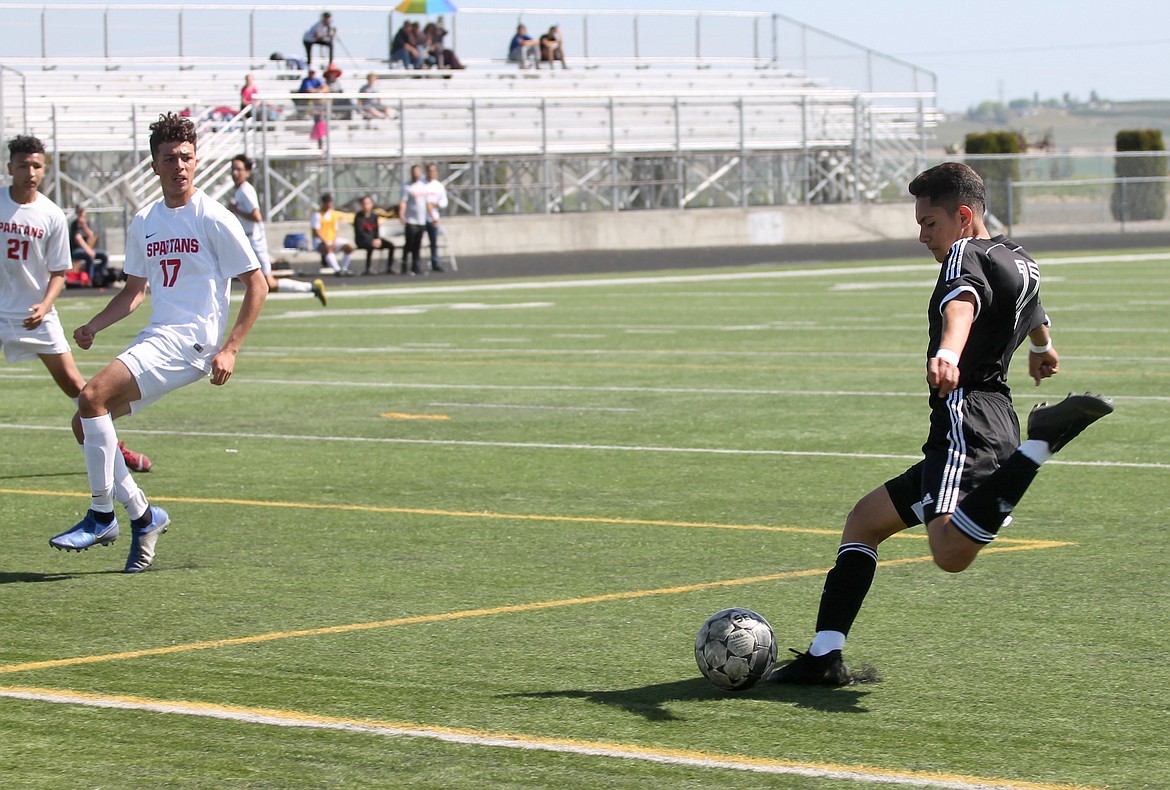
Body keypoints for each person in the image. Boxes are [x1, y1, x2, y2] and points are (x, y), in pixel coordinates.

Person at [767, 162, 1114, 686]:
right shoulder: (1018, 257)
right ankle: (825, 654)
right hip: (991, 414)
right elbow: (1035, 311)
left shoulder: (963, 254)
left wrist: (949, 352)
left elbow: (964, 301)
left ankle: (1042, 445)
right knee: (865, 520)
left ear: (963, 215)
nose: (923, 235)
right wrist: (1043, 349)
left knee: (950, 553)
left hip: (966, 413)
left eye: (929, 222)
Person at [48, 113, 267, 572]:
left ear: (196, 161)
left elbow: (258, 284)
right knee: (84, 423)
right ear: (154, 165)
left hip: (191, 343)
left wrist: (230, 348)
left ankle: (102, 513)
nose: (179, 166)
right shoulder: (145, 219)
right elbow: (134, 292)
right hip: (160, 337)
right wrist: (94, 326)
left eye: (186, 157)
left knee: (91, 396)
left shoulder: (213, 216)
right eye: (169, 158)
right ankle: (145, 516)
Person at [2, 135, 152, 476]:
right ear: (10, 167)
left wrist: (43, 305)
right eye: (23, 165)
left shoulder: (51, 215)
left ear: (45, 169)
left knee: (82, 391)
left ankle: (114, 448)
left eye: (36, 165)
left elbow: (59, 273)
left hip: (36, 317)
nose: (30, 171)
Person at [227, 154, 327, 305]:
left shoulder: (245, 190)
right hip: (248, 239)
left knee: (268, 283)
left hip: (254, 241)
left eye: (239, 169)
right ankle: (312, 288)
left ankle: (312, 287)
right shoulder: (241, 190)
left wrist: (235, 210)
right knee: (257, 281)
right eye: (233, 169)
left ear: (247, 172)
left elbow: (256, 216)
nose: (235, 173)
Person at [310, 193, 355, 276]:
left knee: (349, 247)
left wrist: (334, 241)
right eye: (327, 202)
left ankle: (344, 268)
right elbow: (317, 231)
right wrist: (325, 241)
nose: (329, 204)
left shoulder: (333, 214)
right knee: (327, 248)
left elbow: (335, 229)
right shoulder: (317, 215)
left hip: (332, 239)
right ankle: (337, 270)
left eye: (330, 202)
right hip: (320, 241)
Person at [69, 205, 113, 287]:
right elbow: (78, 240)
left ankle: (99, 275)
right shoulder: (74, 225)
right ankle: (89, 279)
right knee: (89, 256)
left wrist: (84, 226)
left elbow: (91, 236)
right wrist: (88, 251)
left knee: (104, 256)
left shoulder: (86, 223)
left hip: (88, 249)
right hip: (77, 250)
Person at [353, 195, 396, 275]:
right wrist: (371, 240)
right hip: (362, 240)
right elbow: (360, 232)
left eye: (368, 203)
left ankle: (389, 267)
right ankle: (368, 268)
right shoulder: (358, 217)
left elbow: (376, 230)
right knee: (370, 246)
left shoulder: (374, 216)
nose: (367, 206)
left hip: (374, 240)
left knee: (391, 246)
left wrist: (377, 239)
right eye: (364, 204)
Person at [398, 165, 429, 276]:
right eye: (414, 171)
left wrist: (431, 217)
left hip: (421, 221)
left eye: (418, 171)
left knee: (417, 245)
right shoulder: (407, 186)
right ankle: (405, 267)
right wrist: (401, 214)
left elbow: (427, 203)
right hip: (411, 220)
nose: (416, 173)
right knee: (409, 245)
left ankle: (416, 267)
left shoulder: (423, 186)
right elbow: (403, 202)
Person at [423, 162, 448, 273]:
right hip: (420, 218)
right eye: (429, 170)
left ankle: (435, 263)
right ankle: (415, 264)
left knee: (434, 242)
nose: (431, 173)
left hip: (433, 218)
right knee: (416, 242)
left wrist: (436, 204)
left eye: (433, 171)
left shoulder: (438, 186)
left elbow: (444, 201)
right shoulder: (421, 184)